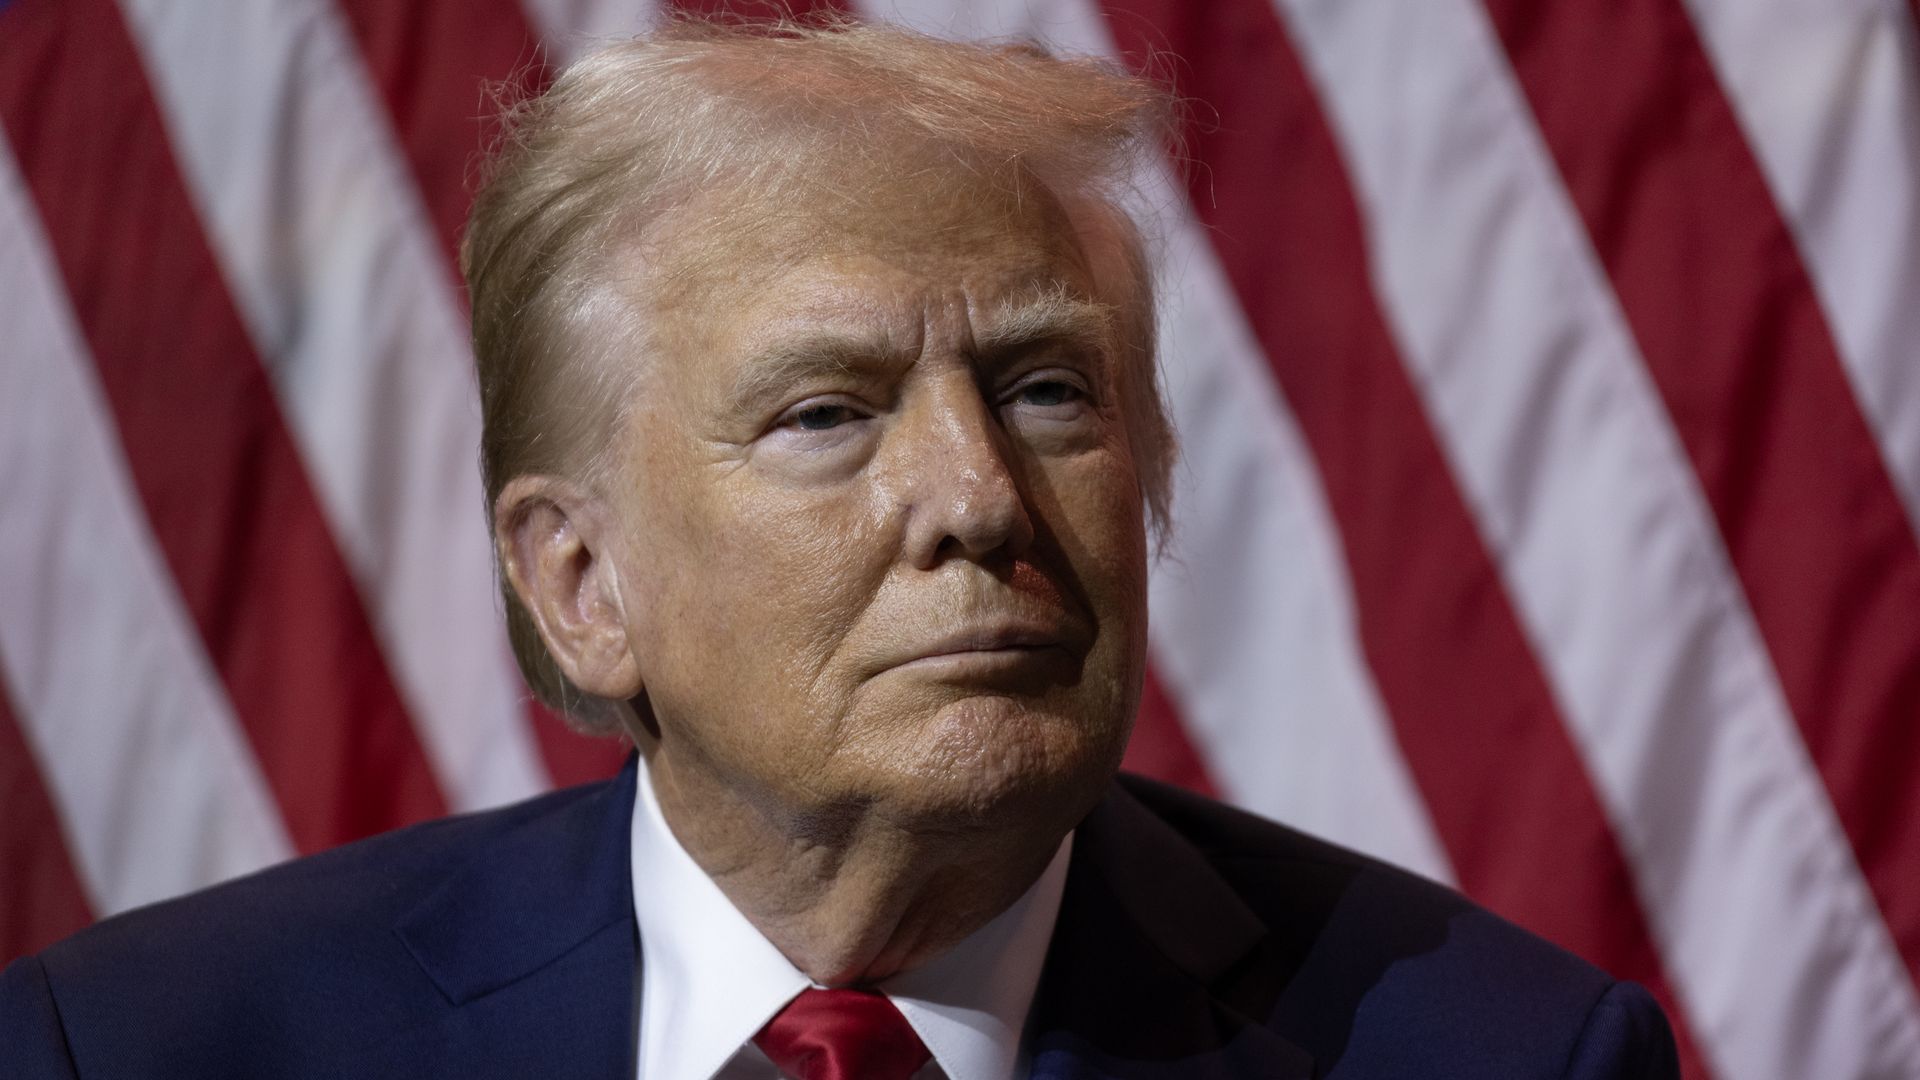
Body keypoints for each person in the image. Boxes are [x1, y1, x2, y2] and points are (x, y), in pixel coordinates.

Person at [0, 18, 1678, 1080]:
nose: (978, 497)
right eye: (826, 413)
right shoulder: (150, 1045)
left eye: (1045, 390)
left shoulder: (1504, 1055)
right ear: (580, 585)